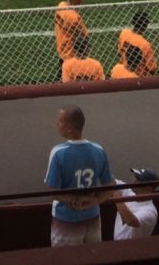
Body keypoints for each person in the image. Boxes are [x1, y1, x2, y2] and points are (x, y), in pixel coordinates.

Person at [44, 105, 112, 247]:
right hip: (92, 217)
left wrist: (74, 199)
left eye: (60, 121)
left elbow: (52, 190)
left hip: (66, 220)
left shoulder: (58, 152)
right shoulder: (99, 150)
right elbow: (110, 187)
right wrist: (93, 201)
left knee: (65, 260)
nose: (57, 124)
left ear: (69, 128)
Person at [55, 0, 89, 78]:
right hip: (72, 56)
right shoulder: (74, 18)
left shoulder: (61, 5)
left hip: (62, 52)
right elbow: (85, 35)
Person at [118, 11, 157, 75]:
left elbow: (119, 53)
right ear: (145, 25)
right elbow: (152, 68)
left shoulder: (124, 33)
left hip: (123, 72)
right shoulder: (145, 45)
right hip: (138, 78)